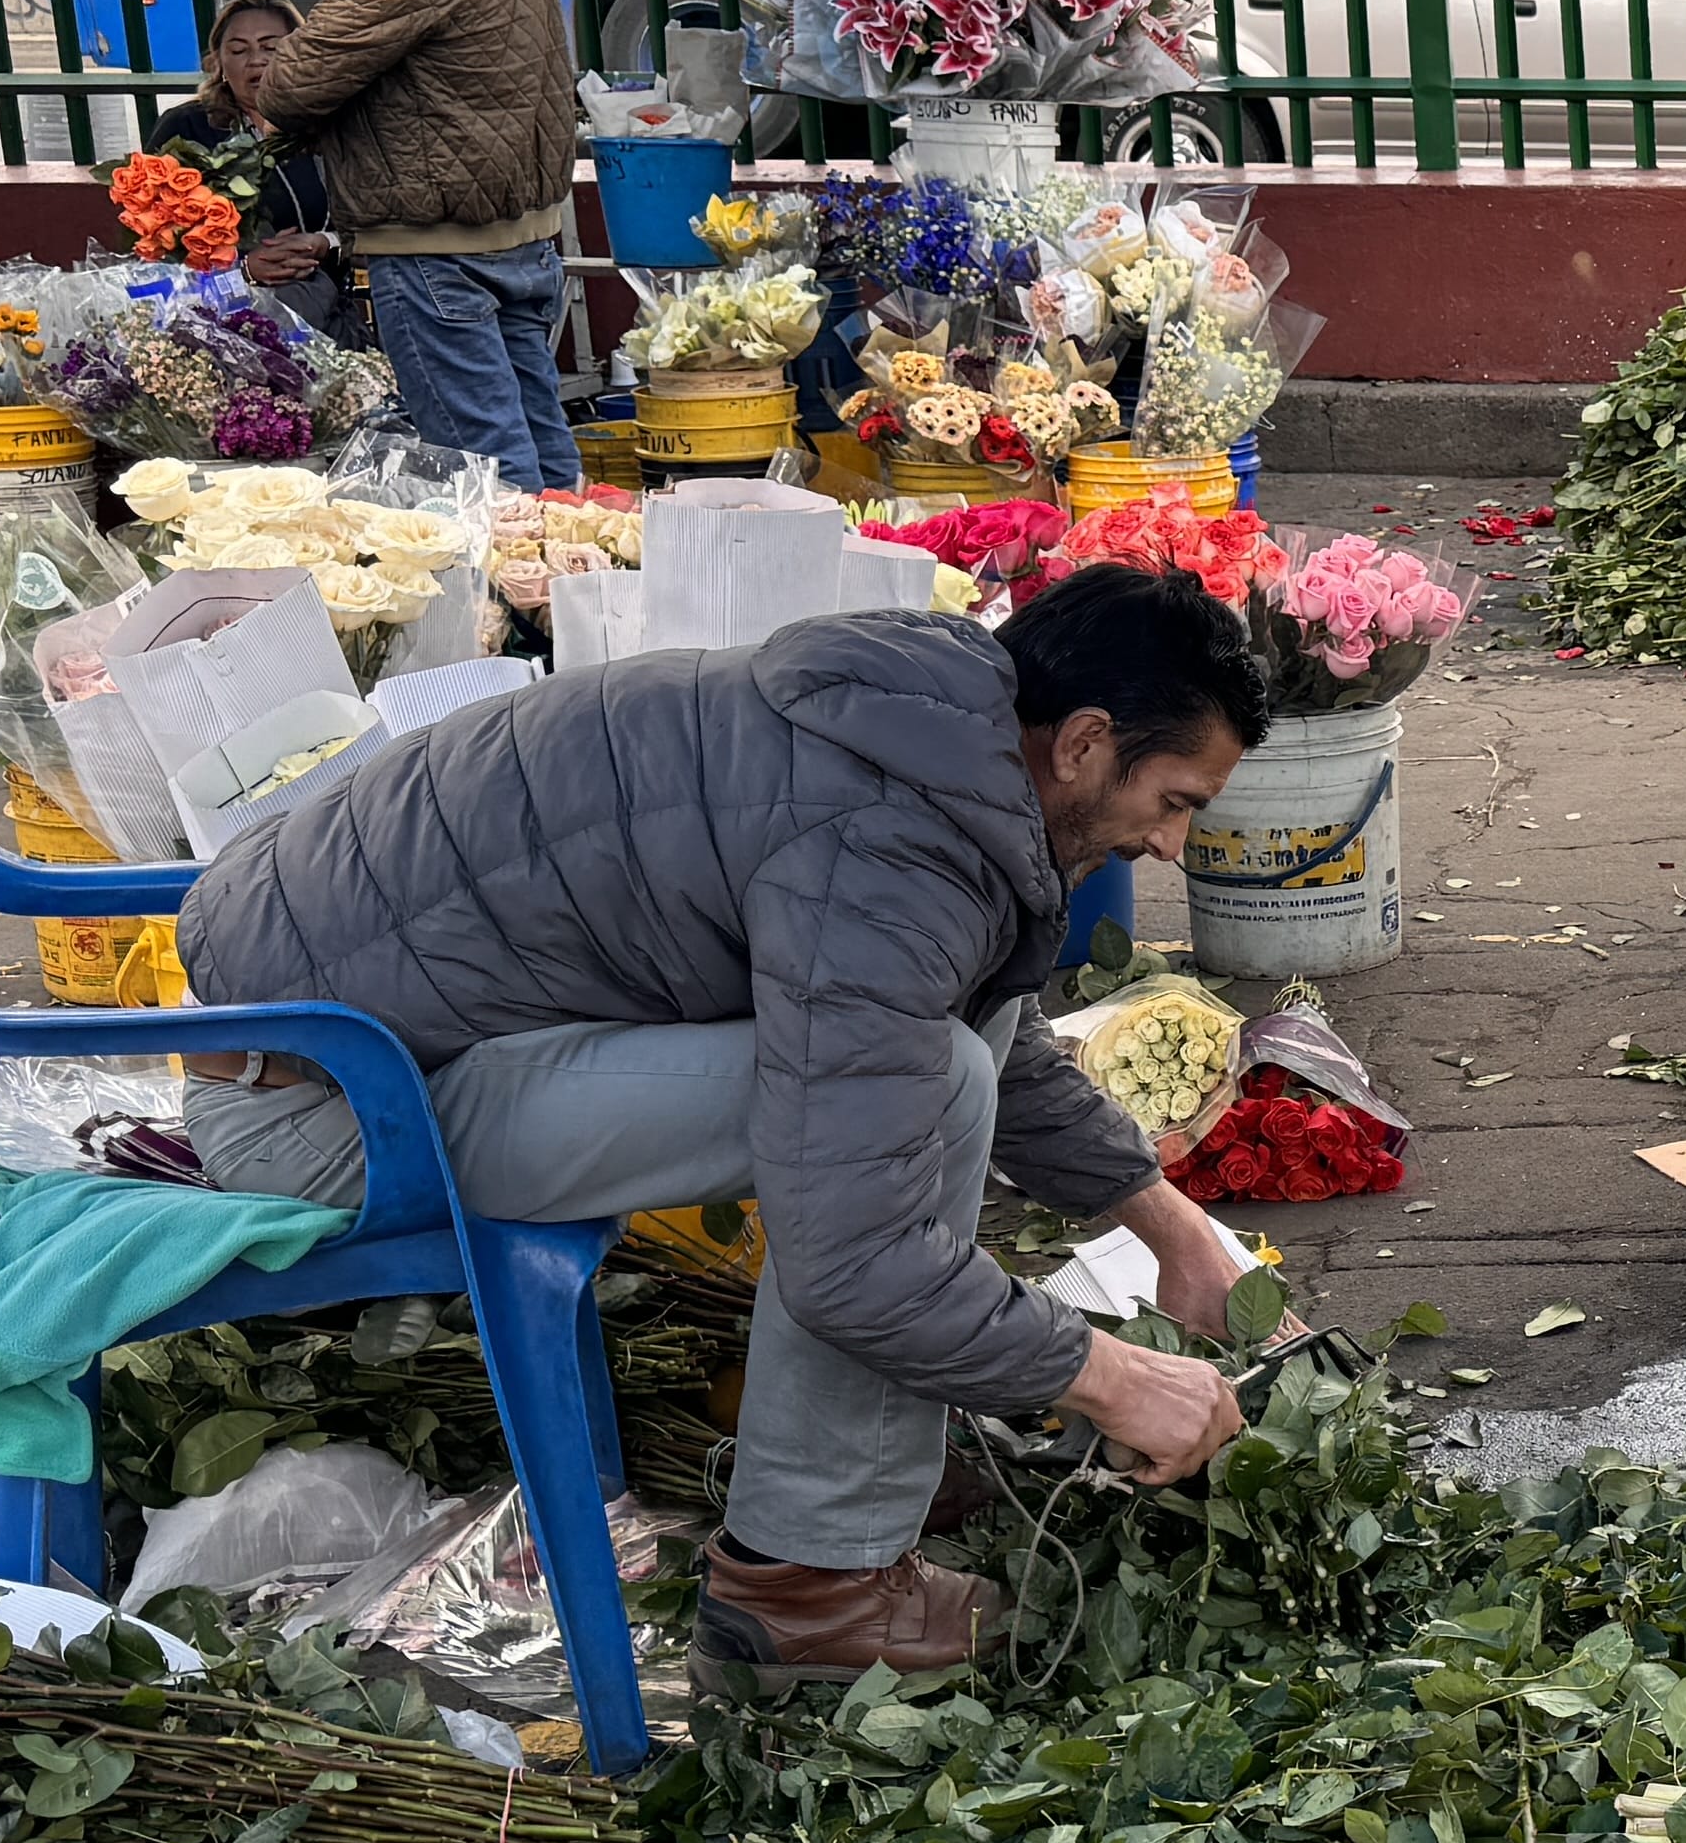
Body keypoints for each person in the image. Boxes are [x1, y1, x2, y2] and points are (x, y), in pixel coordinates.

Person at [169, 564, 1277, 1686]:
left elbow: (962, 1010)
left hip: (368, 1037)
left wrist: (1175, 1235)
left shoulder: (926, 728)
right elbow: (857, 1252)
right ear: (1085, 743)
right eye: (1176, 802)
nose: (1171, 847)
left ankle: (865, 1462)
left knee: (929, 1063)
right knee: (924, 1094)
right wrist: (1109, 1375)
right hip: (326, 1113)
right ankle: (807, 1588)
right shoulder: (885, 842)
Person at [252, 0, 580, 486]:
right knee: (543, 445)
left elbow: (291, 87)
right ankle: (585, 591)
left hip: (439, 251)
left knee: (484, 470)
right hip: (525, 237)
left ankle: (523, 600)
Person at [150, 0, 350, 326]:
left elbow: (372, 224)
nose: (256, 59)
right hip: (217, 317)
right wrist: (244, 268)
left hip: (323, 311)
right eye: (239, 50)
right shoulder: (186, 127)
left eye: (271, 47)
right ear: (219, 64)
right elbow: (158, 242)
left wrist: (324, 243)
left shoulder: (329, 123)